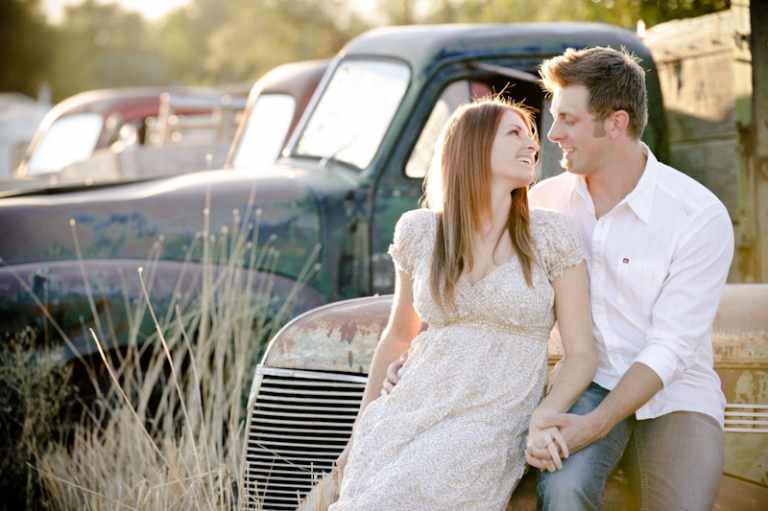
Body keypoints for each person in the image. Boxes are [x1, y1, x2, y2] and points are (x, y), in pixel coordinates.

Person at [387, 47, 734, 510]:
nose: (552, 135)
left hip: (676, 394)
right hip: (583, 387)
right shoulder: (542, 206)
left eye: (568, 119)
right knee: (564, 492)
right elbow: (472, 283)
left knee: (684, 505)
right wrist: (422, 358)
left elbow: (670, 348)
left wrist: (596, 424)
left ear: (616, 123)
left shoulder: (697, 216)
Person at [330, 97, 597, 510]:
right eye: (515, 133)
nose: (532, 144)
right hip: (408, 410)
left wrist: (544, 417)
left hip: (490, 421)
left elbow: (581, 353)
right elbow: (399, 335)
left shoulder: (550, 235)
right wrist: (355, 438)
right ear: (473, 145)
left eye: (530, 135)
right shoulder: (420, 232)